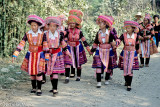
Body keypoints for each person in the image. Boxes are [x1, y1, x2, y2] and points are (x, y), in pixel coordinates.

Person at [12, 15, 48, 96]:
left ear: (38, 26)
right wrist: (16, 53)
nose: (33, 27)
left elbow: (45, 45)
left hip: (40, 55)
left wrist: (47, 56)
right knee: (32, 72)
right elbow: (22, 43)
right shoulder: (27, 34)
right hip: (31, 54)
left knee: (39, 72)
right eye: (32, 25)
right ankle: (33, 88)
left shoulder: (42, 34)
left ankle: (39, 89)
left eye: (35, 25)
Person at [45, 16, 71, 95]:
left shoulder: (59, 35)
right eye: (50, 26)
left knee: (55, 72)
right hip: (48, 55)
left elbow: (63, 44)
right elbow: (44, 45)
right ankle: (53, 87)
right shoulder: (45, 35)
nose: (52, 28)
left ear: (57, 27)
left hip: (57, 55)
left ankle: (55, 89)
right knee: (51, 72)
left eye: (54, 26)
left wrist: (68, 53)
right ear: (48, 26)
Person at [90, 15, 117, 88]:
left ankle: (106, 79)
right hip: (100, 50)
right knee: (98, 65)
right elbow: (95, 42)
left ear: (105, 24)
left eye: (101, 23)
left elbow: (117, 39)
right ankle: (98, 82)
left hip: (109, 50)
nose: (99, 24)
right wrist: (92, 51)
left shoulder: (110, 32)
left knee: (108, 66)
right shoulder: (98, 33)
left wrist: (115, 44)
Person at [64, 9, 91, 83]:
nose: (72, 24)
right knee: (68, 63)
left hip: (78, 48)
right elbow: (64, 39)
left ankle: (78, 76)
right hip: (69, 47)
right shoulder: (67, 31)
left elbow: (84, 40)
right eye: (71, 23)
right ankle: (67, 77)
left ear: (76, 24)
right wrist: (64, 47)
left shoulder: (79, 32)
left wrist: (89, 50)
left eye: (74, 23)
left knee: (78, 63)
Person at [117, 20, 139, 91]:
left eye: (129, 28)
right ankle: (126, 81)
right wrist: (116, 43)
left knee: (130, 68)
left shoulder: (136, 35)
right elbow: (119, 40)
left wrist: (138, 52)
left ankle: (129, 85)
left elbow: (137, 44)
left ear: (133, 28)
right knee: (125, 67)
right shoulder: (123, 35)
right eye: (126, 28)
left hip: (133, 53)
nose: (127, 29)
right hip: (125, 53)